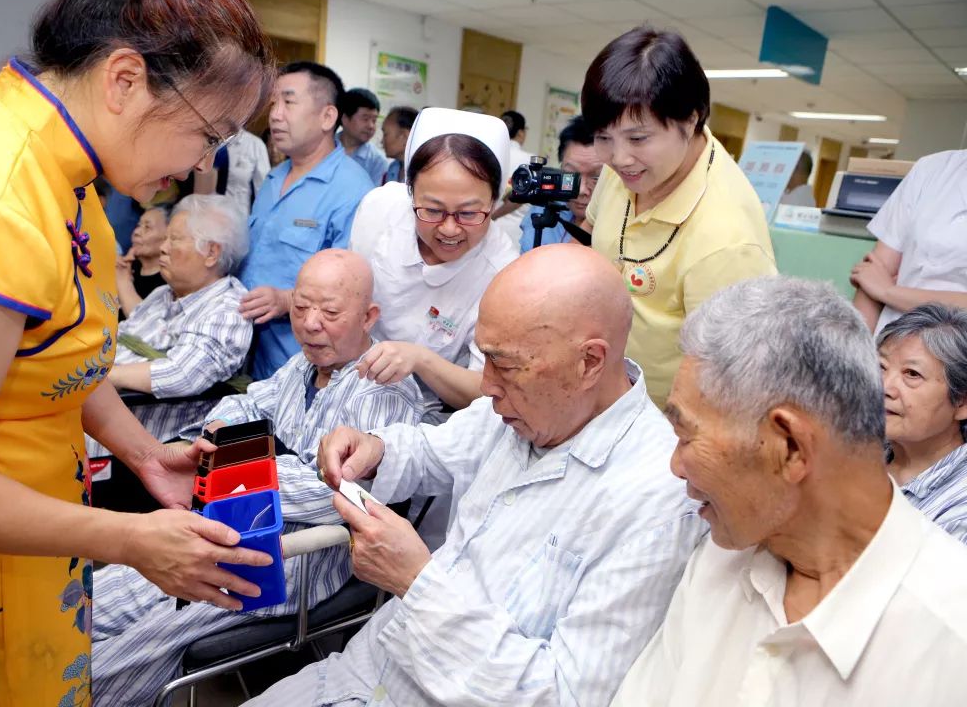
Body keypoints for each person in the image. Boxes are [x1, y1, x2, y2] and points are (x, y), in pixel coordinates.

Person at [0, 0, 278, 704]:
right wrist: (129, 540)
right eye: (209, 133)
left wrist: (140, 454)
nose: (205, 163)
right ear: (124, 80)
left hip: (36, 539)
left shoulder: (67, 176)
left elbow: (53, 355)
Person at [249, 244, 706, 707]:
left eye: (504, 365)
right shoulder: (521, 408)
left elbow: (564, 695)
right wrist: (376, 448)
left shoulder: (659, 499)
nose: (486, 386)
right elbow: (433, 449)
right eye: (483, 358)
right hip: (368, 666)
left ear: (589, 361)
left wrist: (416, 582)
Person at [612, 276, 967, 706]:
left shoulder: (954, 641)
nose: (675, 466)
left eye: (688, 436)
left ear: (790, 448)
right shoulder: (721, 560)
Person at [90, 250, 425, 705]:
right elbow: (249, 402)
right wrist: (228, 437)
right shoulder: (305, 366)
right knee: (106, 591)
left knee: (142, 640)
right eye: (301, 307)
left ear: (368, 317)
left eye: (329, 312)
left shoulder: (381, 390)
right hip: (233, 526)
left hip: (297, 560)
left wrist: (238, 466)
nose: (310, 324)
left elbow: (334, 495)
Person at [579, 26, 776, 407]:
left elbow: (729, 376)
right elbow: (588, 235)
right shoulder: (628, 168)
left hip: (663, 421)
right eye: (603, 137)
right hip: (600, 391)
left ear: (690, 120)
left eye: (638, 139)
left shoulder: (727, 239)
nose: (618, 158)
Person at [348, 107, 519, 422]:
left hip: (428, 419)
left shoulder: (504, 273)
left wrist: (421, 360)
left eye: (468, 213)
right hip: (352, 388)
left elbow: (490, 390)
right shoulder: (380, 211)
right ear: (410, 191)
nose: (449, 229)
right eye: (432, 210)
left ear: (494, 202)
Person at [238, 62, 374, 380]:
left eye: (288, 101)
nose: (275, 114)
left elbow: (353, 284)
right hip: (249, 355)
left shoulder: (352, 190)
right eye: (273, 103)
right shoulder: (274, 178)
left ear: (328, 117)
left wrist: (286, 300)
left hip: (302, 363)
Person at [88, 195, 253, 458]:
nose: (163, 248)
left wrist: (99, 376)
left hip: (138, 450)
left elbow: (182, 373)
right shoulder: (163, 294)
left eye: (174, 239)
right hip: (92, 420)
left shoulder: (228, 310)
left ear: (211, 253)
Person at [877, 304, 967, 547]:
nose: (884, 387)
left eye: (912, 374)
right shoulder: (856, 447)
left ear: (964, 401)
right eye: (881, 366)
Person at [850, 148, 967, 335]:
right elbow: (874, 273)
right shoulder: (932, 168)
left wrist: (889, 292)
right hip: (890, 344)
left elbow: (878, 285)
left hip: (963, 352)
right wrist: (856, 355)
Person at [519, 115, 604, 252]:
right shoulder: (543, 210)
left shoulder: (622, 223)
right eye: (571, 175)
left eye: (596, 178)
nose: (581, 190)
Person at [489, 108, 536, 243]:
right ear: (521, 133)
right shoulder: (530, 160)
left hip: (484, 225)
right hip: (516, 230)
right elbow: (519, 199)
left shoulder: (486, 154)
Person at [116, 205, 169, 317]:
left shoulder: (168, 282)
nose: (137, 232)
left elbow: (146, 327)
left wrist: (123, 280)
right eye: (139, 225)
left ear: (168, 237)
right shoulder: (127, 266)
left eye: (147, 227)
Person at [339, 87, 389, 186]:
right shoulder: (322, 148)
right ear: (345, 119)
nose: (371, 126)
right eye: (365, 119)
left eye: (374, 120)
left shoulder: (377, 161)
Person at [381, 105, 418, 184]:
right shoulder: (392, 168)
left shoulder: (424, 173)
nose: (381, 141)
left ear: (404, 136)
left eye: (385, 134)